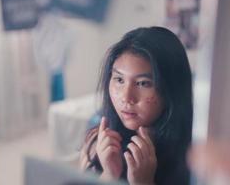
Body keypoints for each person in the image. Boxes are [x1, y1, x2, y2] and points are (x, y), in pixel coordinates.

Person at [79, 26, 193, 185]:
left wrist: (144, 182)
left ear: (171, 90)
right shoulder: (96, 140)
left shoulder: (196, 154)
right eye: (119, 80)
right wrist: (110, 174)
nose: (126, 98)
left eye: (143, 83)